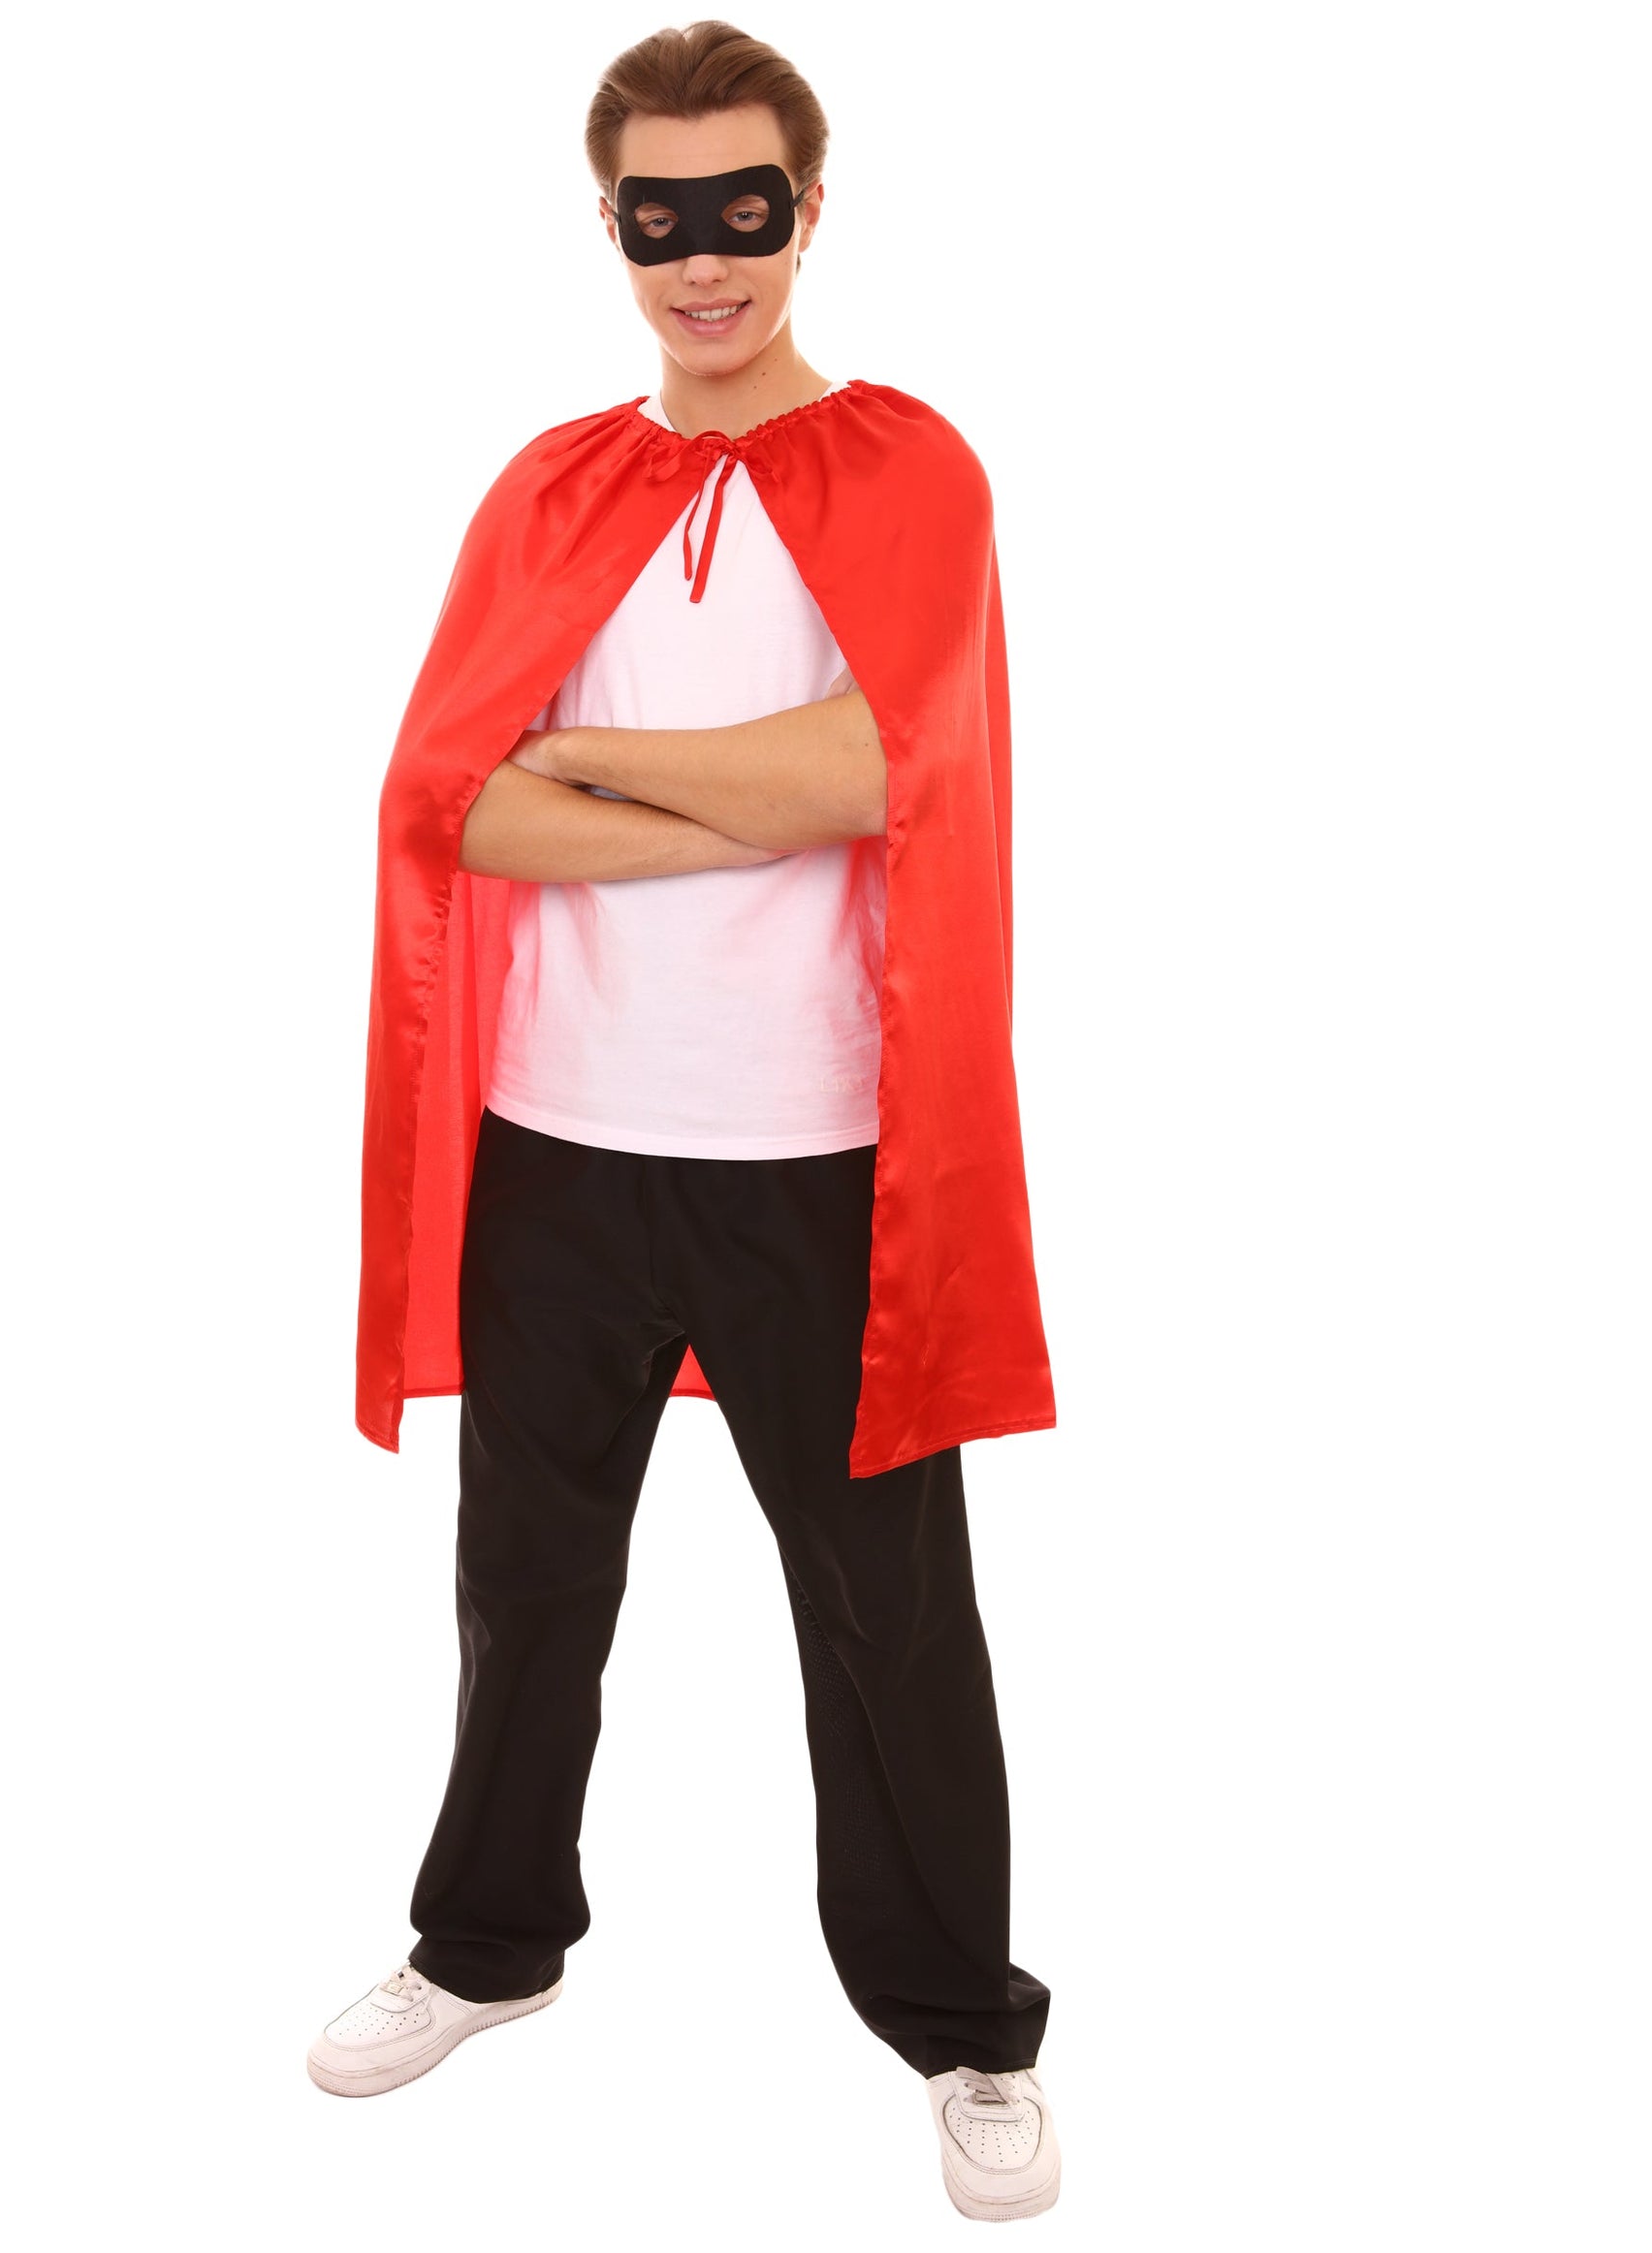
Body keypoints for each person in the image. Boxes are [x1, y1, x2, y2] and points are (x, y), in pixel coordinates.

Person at [308, 20, 1062, 2225]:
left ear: (807, 214)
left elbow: (884, 771)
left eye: (744, 210)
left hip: (822, 1149)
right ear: (611, 229)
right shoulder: (552, 488)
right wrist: (753, 797)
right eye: (662, 219)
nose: (704, 260)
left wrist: (594, 769)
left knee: (888, 1611)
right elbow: (444, 805)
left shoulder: (910, 469)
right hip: (558, 1138)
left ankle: (961, 2023)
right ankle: (487, 1944)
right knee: (525, 1579)